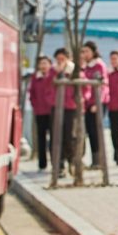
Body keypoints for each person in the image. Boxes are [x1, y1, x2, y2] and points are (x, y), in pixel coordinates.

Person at [49, 47, 78, 175]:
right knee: (56, 135)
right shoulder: (52, 71)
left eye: (63, 59)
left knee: (69, 136)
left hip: (71, 107)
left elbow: (83, 88)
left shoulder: (74, 71)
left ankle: (72, 161)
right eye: (58, 59)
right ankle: (59, 164)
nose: (60, 61)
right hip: (56, 106)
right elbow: (47, 88)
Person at [80, 41, 109, 169]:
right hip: (86, 104)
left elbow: (103, 85)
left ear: (93, 51)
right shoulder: (84, 66)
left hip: (97, 103)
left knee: (95, 132)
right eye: (83, 51)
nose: (84, 54)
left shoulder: (99, 65)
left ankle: (98, 160)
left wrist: (98, 102)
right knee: (86, 132)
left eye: (86, 51)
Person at [28, 56, 55, 171]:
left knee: (54, 138)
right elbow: (32, 93)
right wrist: (35, 105)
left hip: (52, 111)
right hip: (40, 112)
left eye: (46, 63)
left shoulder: (53, 77)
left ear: (50, 65)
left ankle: (55, 162)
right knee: (41, 138)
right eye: (41, 63)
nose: (43, 66)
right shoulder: (35, 77)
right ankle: (42, 163)